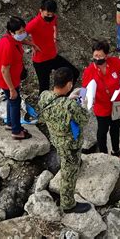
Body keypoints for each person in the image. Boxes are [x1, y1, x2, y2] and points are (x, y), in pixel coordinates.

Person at [39, 67, 91, 214]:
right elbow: (84, 119)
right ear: (69, 85)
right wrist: (85, 104)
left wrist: (68, 99)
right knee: (68, 174)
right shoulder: (70, 106)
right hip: (70, 144)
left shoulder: (44, 96)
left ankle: (75, 164)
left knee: (69, 162)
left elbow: (56, 108)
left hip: (56, 139)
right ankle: (68, 204)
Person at [81, 40, 120, 162]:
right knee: (102, 131)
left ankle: (115, 150)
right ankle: (103, 154)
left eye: (100, 56)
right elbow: (84, 89)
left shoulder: (114, 62)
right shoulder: (89, 70)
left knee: (116, 128)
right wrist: (83, 99)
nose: (97, 58)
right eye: (95, 56)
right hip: (101, 106)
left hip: (117, 102)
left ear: (106, 55)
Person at [26, 0, 80, 95]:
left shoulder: (53, 18)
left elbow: (55, 25)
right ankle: (44, 108)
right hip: (41, 61)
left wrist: (54, 38)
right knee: (44, 90)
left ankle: (64, 98)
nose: (50, 17)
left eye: (52, 14)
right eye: (47, 15)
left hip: (53, 56)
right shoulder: (34, 23)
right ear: (41, 11)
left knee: (74, 72)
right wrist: (32, 44)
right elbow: (19, 37)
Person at [0, 17, 31, 139]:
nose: (23, 34)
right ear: (11, 32)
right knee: (15, 101)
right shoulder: (8, 46)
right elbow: (4, 70)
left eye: (23, 31)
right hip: (8, 80)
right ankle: (16, 131)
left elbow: (19, 42)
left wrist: (31, 43)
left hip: (12, 78)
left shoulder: (10, 39)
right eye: (20, 32)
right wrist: (11, 89)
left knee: (11, 101)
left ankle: (10, 123)